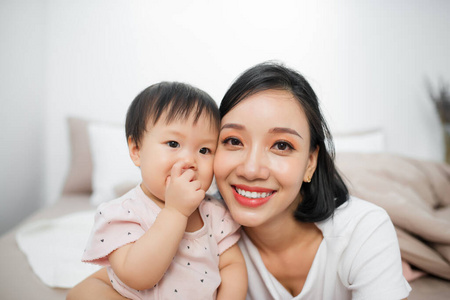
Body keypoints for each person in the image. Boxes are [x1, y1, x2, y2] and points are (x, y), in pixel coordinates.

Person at [68, 62, 411, 299]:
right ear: (136, 149)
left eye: (281, 145)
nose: (251, 168)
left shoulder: (363, 232)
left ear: (310, 164)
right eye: (233, 141)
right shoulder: (200, 217)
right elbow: (88, 290)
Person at [78, 82, 247, 300]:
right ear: (136, 150)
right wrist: (175, 211)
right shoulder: (122, 214)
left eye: (204, 150)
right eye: (173, 143)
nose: (189, 160)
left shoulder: (214, 212)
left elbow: (232, 265)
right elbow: (137, 276)